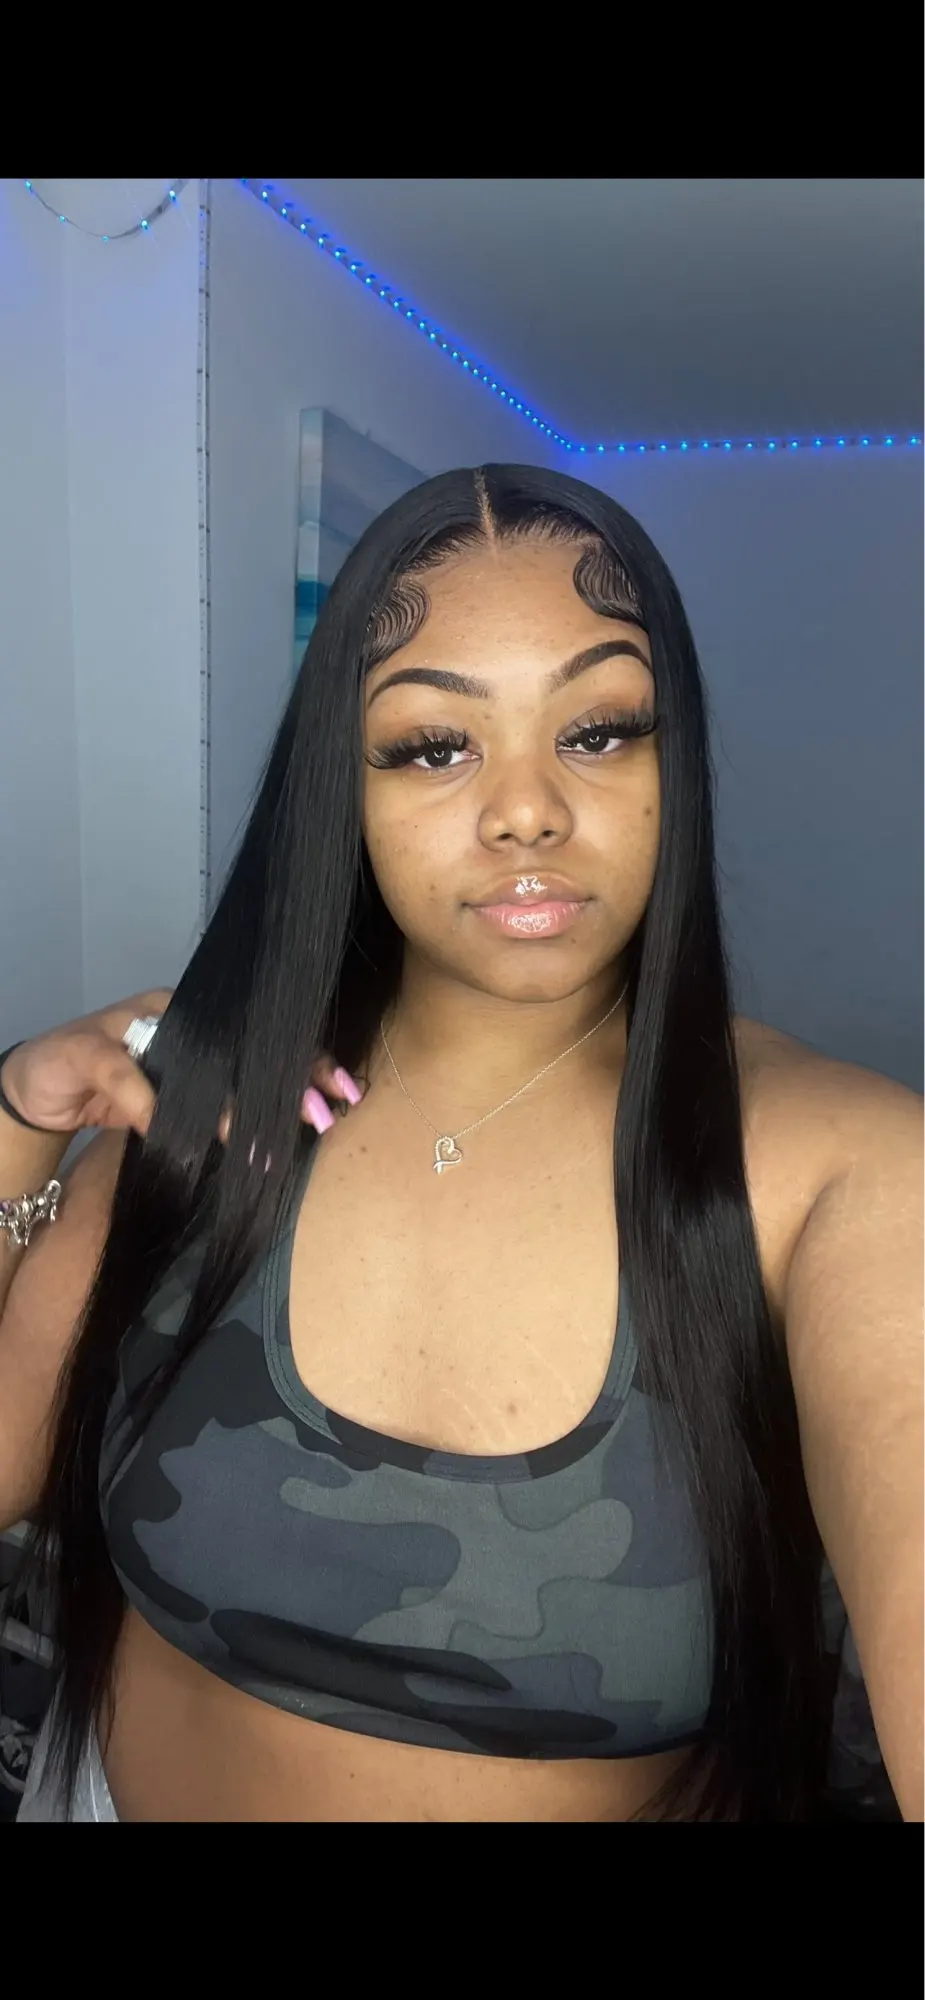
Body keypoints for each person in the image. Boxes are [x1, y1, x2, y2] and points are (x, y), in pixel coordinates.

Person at [1, 464, 921, 1823]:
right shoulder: (218, 1108)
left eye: (599, 730)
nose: (526, 810)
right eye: (436, 745)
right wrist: (20, 1122)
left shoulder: (838, 1171)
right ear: (344, 790)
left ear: (675, 759)